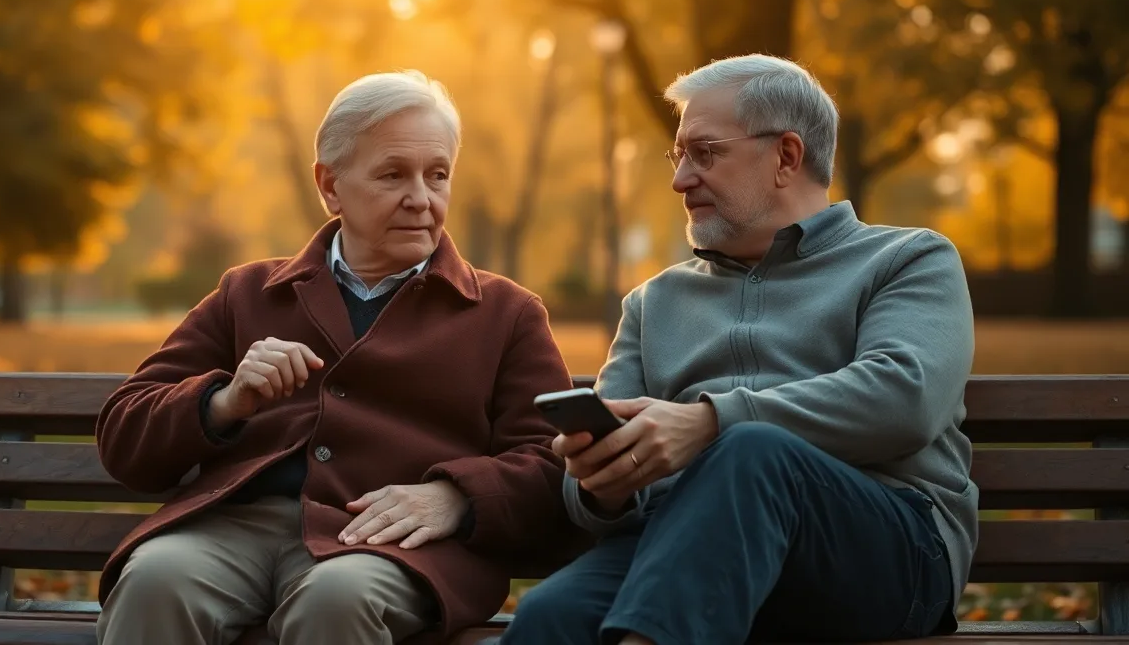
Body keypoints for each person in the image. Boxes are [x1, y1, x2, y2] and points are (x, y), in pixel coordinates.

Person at [499, 54, 977, 645]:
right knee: (550, 619)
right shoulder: (653, 303)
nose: (680, 180)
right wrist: (604, 479)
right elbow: (589, 495)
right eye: (679, 156)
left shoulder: (909, 260)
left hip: (882, 549)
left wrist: (709, 422)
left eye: (706, 152)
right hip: (681, 544)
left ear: (786, 156)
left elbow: (907, 397)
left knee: (753, 450)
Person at [94, 69, 579, 645]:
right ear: (330, 186)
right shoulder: (247, 292)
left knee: (336, 600)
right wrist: (223, 402)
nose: (421, 198)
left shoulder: (507, 313)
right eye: (393, 174)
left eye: (438, 175)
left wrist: (456, 496)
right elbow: (124, 436)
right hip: (233, 529)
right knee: (153, 580)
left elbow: (552, 463)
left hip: (396, 549)